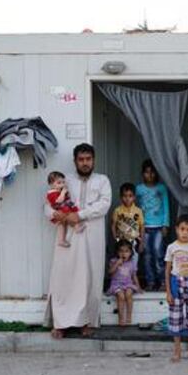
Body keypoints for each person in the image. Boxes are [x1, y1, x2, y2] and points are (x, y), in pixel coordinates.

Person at [44, 144, 111, 338]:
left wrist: (80, 215)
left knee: (90, 277)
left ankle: (87, 321)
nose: (85, 163)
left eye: (88, 159)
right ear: (75, 161)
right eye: (81, 159)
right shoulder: (65, 180)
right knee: (64, 277)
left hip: (92, 234)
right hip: (68, 236)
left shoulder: (102, 180)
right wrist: (57, 214)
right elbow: (48, 204)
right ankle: (61, 323)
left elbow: (104, 205)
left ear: (93, 160)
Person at [164, 213, 188, 363]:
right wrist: (168, 292)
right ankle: (177, 352)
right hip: (176, 285)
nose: (185, 232)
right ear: (176, 230)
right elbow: (167, 271)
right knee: (176, 320)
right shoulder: (172, 247)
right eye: (182, 229)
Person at [135, 159, 169, 290]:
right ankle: (150, 282)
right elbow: (135, 207)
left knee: (158, 252)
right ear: (143, 174)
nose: (150, 175)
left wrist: (166, 224)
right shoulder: (139, 189)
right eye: (147, 172)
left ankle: (162, 281)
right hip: (145, 227)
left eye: (152, 172)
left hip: (159, 227)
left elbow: (166, 206)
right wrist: (137, 226)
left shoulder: (161, 188)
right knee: (147, 255)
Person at [107, 239, 141, 326]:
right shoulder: (114, 261)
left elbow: (134, 276)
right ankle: (121, 318)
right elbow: (110, 272)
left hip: (128, 284)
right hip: (116, 284)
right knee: (121, 296)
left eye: (126, 251)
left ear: (130, 253)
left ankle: (129, 316)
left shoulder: (132, 263)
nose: (123, 253)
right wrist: (117, 264)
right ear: (117, 252)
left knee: (129, 293)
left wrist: (138, 287)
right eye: (121, 251)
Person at [45, 170, 82, 247]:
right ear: (51, 184)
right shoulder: (51, 193)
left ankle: (62, 240)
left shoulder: (58, 191)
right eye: (59, 183)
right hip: (59, 211)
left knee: (63, 225)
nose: (62, 185)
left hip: (62, 209)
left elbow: (66, 199)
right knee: (68, 217)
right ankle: (76, 227)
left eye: (63, 182)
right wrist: (63, 193)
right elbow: (58, 201)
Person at [111, 183, 145, 259]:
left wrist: (142, 243)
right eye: (124, 196)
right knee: (121, 262)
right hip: (122, 242)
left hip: (134, 241)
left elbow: (142, 227)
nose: (127, 198)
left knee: (134, 262)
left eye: (130, 196)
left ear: (134, 197)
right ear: (121, 197)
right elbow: (113, 225)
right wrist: (116, 239)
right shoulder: (117, 210)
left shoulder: (138, 211)